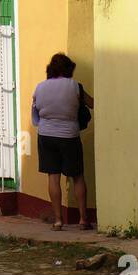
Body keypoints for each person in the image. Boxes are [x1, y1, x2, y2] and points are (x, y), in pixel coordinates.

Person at [31, 52, 94, 230]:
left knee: (53, 176)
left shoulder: (40, 87)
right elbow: (92, 103)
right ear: (68, 70)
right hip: (69, 136)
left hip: (46, 136)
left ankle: (58, 221)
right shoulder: (75, 86)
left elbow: (35, 114)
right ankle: (83, 219)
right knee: (78, 177)